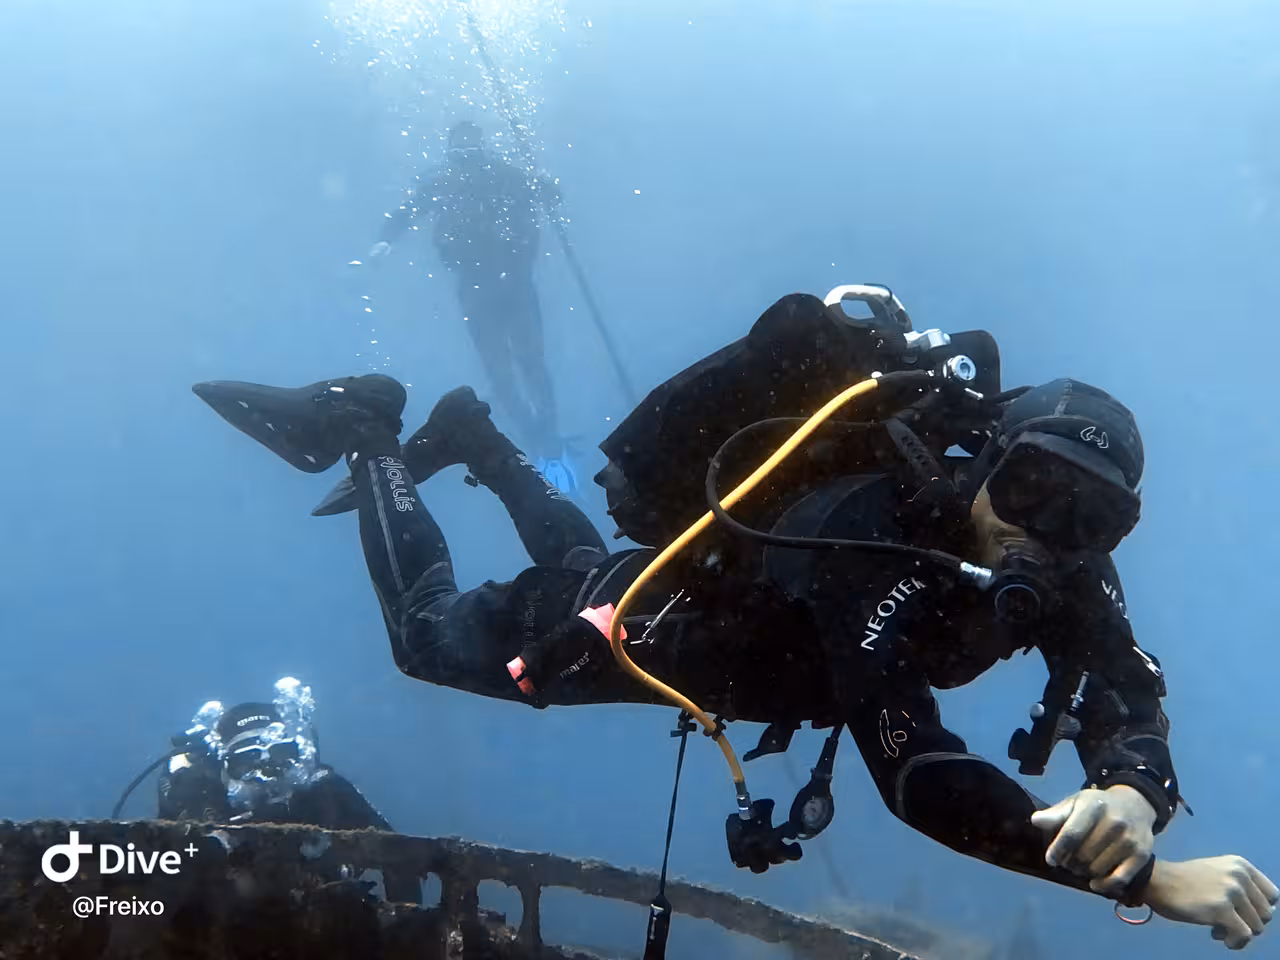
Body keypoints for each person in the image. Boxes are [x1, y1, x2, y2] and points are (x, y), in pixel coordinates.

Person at [192, 287, 1277, 950]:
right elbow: (915, 774)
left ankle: (474, 436)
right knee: (433, 640)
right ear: (983, 461)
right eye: (1034, 492)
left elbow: (1126, 690)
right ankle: (371, 428)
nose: (1048, 535)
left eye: (1091, 520)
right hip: (650, 632)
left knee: (585, 554)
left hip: (687, 587)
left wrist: (1133, 792)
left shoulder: (1066, 568)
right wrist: (1140, 877)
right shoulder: (871, 537)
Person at [366, 119, 562, 465]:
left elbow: (548, 194)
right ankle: (538, 430)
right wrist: (385, 239)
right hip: (484, 283)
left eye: (470, 146)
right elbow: (408, 211)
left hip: (507, 281)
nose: (466, 155)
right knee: (504, 366)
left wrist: (546, 185)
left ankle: (545, 429)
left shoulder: (496, 175)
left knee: (524, 362)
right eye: (461, 147)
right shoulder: (448, 181)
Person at [154, 677, 394, 832]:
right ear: (224, 766)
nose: (265, 773)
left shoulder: (326, 793)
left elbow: (396, 856)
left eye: (280, 755)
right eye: (246, 761)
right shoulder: (200, 795)